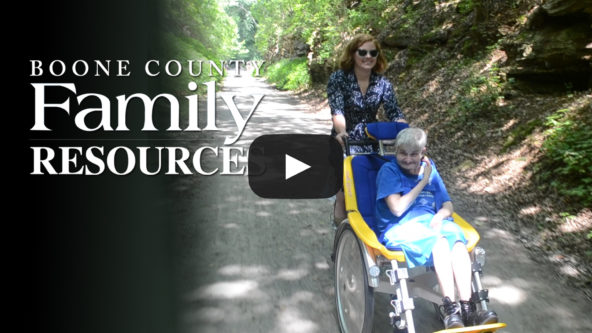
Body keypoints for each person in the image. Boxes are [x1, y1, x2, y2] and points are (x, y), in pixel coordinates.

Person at [375, 128, 498, 329]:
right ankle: (451, 311)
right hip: (398, 227)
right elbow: (397, 209)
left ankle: (467, 310)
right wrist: (423, 181)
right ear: (395, 151)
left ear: (423, 151)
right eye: (402, 153)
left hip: (429, 224)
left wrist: (441, 215)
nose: (407, 159)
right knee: (440, 242)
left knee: (457, 242)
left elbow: (447, 204)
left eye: (413, 154)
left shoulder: (431, 168)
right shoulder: (389, 171)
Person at [327, 33, 406, 224]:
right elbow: (337, 110)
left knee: (370, 190)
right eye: (362, 52)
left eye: (373, 53)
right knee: (344, 194)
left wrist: (407, 132)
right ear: (353, 54)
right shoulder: (339, 78)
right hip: (344, 140)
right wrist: (341, 132)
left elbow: (394, 112)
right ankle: (341, 240)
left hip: (371, 141)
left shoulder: (383, 84)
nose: (368, 56)